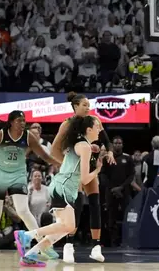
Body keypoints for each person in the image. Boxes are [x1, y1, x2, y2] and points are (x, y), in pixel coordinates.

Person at [14, 115, 104, 267]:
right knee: (68, 226)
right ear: (88, 129)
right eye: (97, 126)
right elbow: (84, 179)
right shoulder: (85, 146)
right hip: (63, 187)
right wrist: (97, 170)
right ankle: (26, 235)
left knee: (63, 228)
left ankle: (30, 255)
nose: (100, 129)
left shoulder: (80, 144)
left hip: (62, 186)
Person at [0, 111, 61, 261]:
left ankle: (44, 245)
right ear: (11, 122)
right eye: (19, 120)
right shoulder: (1, 134)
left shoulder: (28, 136)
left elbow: (44, 155)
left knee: (23, 210)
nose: (23, 123)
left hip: (18, 174)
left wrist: (59, 163)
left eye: (24, 121)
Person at [51, 92, 114, 263]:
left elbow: (106, 140)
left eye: (89, 104)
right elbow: (54, 149)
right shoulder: (67, 124)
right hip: (74, 171)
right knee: (76, 206)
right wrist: (66, 165)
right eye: (84, 104)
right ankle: (68, 245)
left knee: (95, 203)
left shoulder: (94, 120)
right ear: (75, 106)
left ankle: (96, 246)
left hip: (90, 165)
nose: (88, 107)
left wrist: (109, 151)